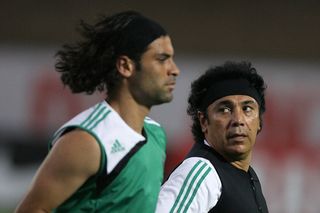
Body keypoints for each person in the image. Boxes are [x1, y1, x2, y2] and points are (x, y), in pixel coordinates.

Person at [15, 10, 179, 213]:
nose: (174, 69)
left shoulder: (156, 135)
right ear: (125, 66)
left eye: (171, 58)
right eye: (162, 59)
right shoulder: (88, 140)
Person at [156, 61, 268, 213]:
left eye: (247, 108)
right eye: (225, 109)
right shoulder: (202, 171)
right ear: (204, 121)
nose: (238, 120)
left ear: (259, 121)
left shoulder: (247, 176)